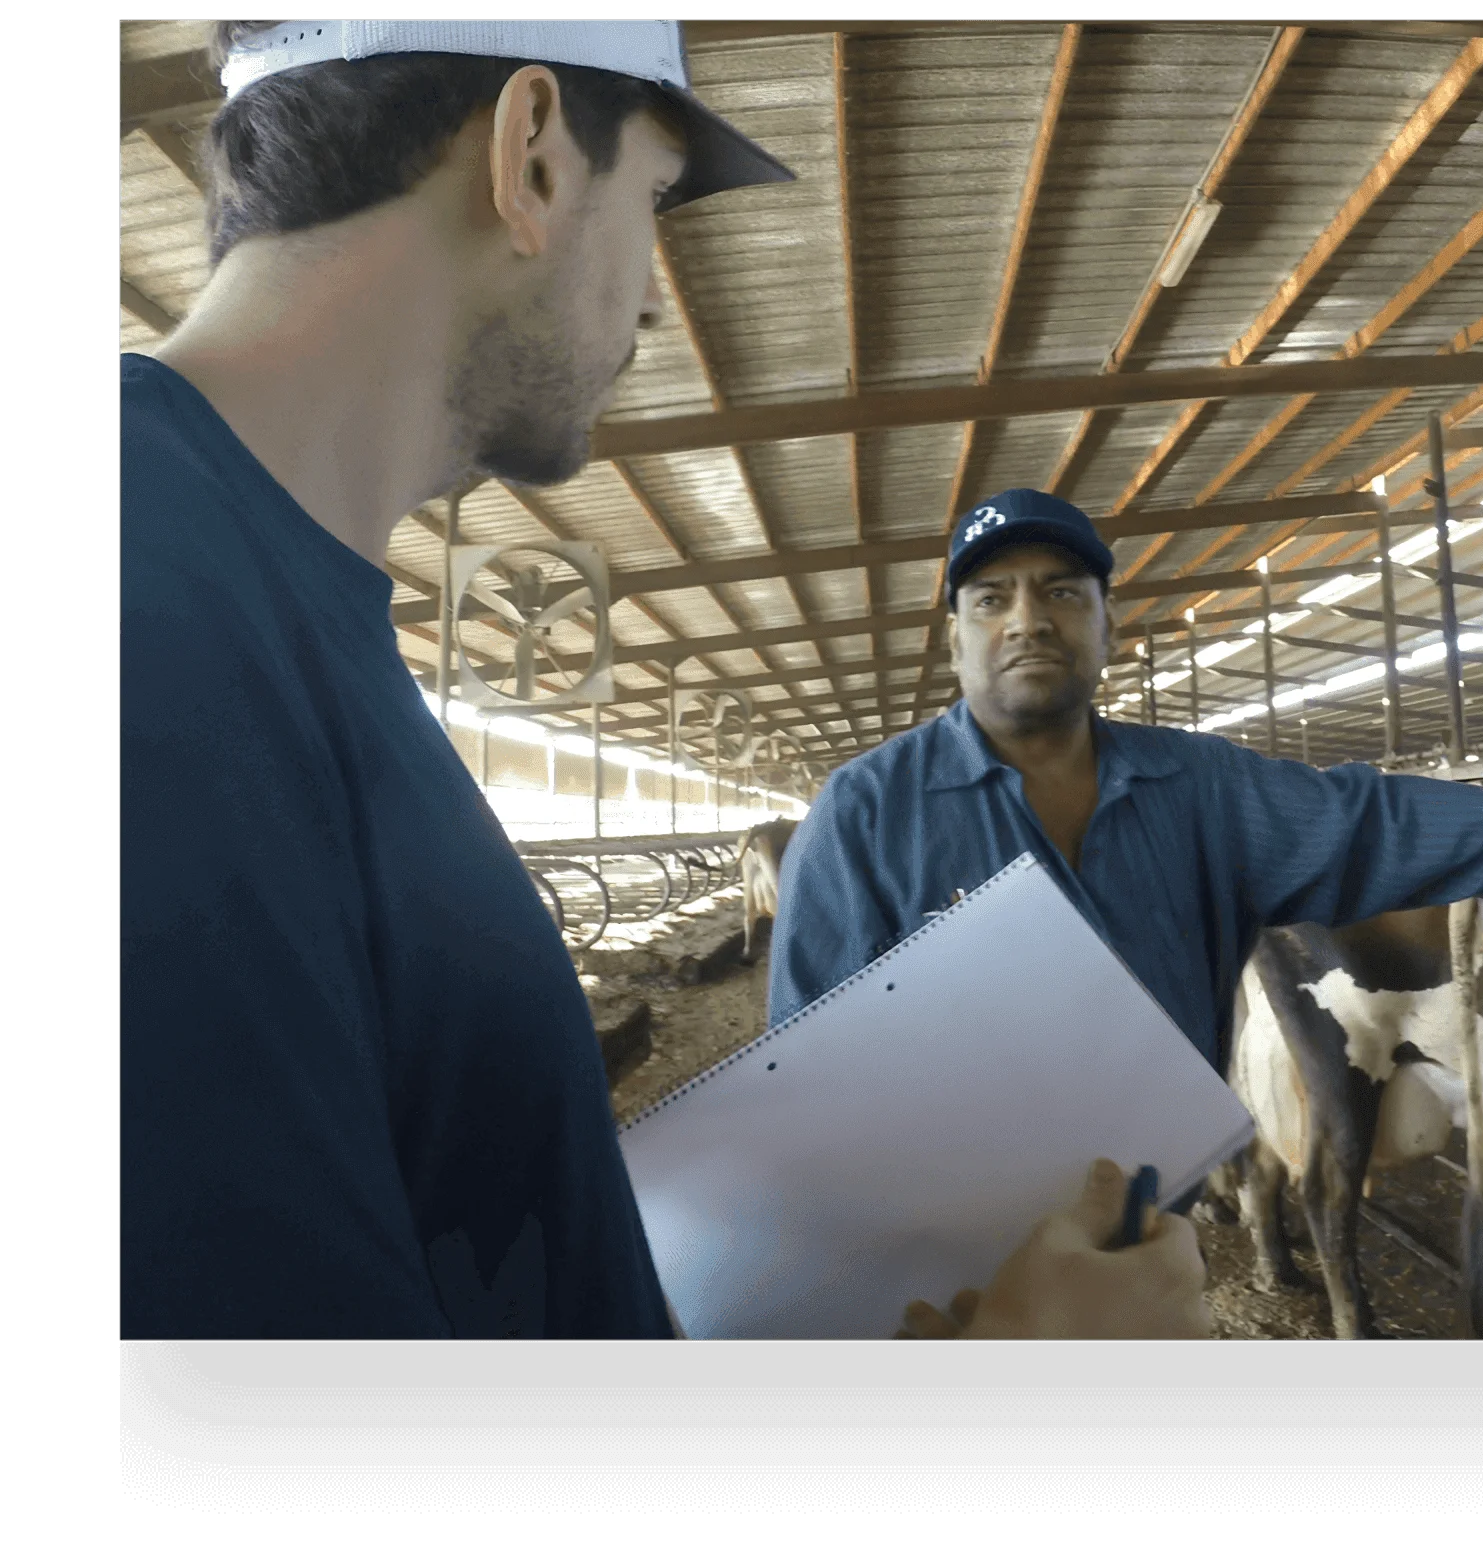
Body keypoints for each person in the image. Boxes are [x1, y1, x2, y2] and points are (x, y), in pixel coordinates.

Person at [120, 19, 1203, 1340]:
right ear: (530, 158)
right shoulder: (154, 606)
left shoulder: (257, 596)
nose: (646, 300)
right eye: (651, 200)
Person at [769, 490, 1483, 1088]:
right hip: (951, 1268)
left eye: (1062, 591)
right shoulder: (864, 815)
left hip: (1148, 1247)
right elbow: (807, 1077)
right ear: (953, 638)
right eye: (991, 598)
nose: (1028, 618)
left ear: (1110, 628)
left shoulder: (1196, 790)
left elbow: (1377, 822)